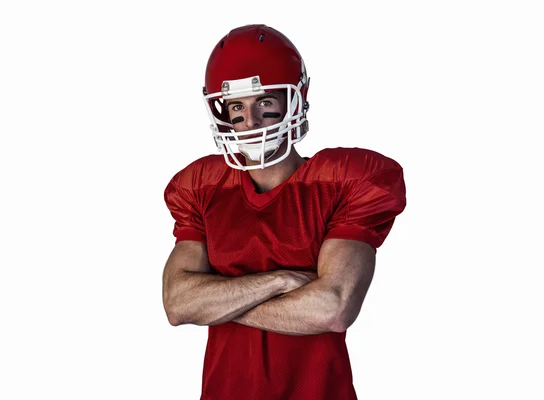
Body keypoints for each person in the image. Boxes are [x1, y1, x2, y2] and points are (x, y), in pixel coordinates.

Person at [162, 24, 407, 400]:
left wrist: (215, 302)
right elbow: (178, 303)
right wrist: (280, 281)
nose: (251, 120)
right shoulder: (204, 188)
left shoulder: (342, 183)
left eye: (264, 102)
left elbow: (333, 307)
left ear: (294, 100)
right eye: (237, 107)